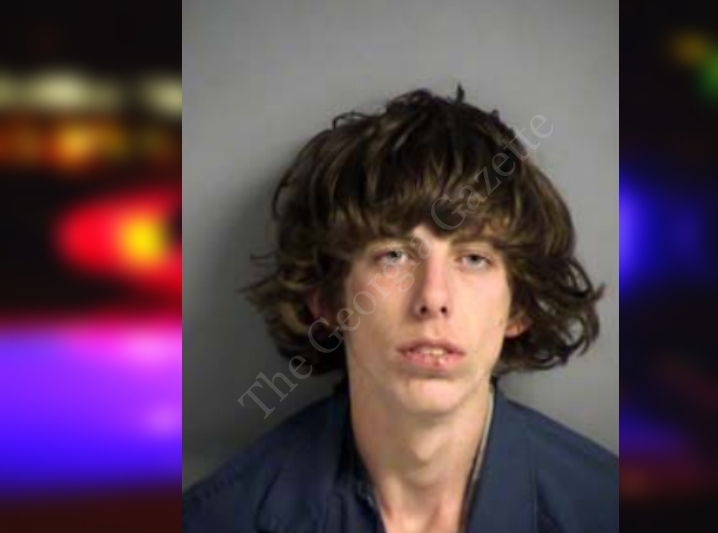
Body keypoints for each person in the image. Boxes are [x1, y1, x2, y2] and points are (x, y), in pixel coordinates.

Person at [182, 87, 618, 533]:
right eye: (393, 256)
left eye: (473, 258)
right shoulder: (218, 520)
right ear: (329, 299)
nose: (433, 297)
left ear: (519, 307)